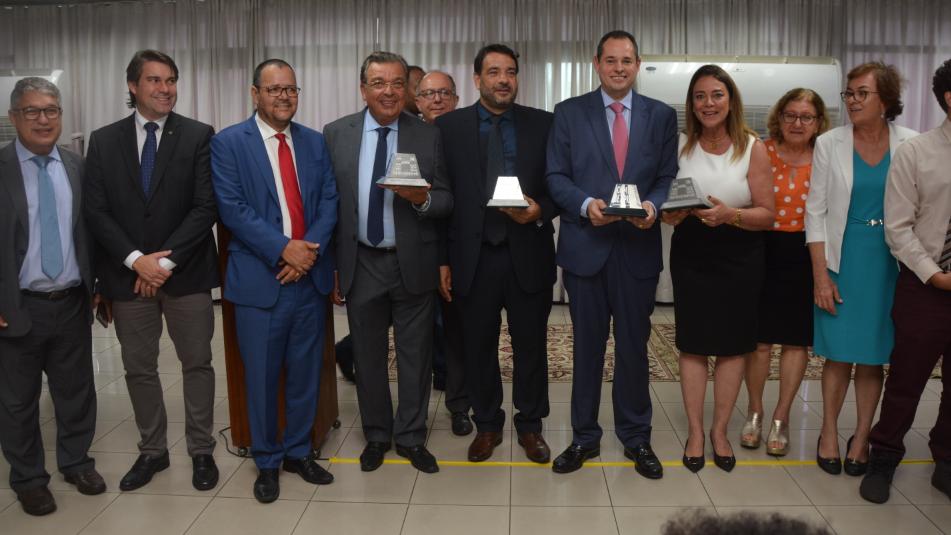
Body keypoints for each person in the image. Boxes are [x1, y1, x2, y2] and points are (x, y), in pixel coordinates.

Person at [84, 49, 221, 492]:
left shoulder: (198, 135)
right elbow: (96, 211)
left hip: (187, 273)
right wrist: (135, 260)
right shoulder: (103, 141)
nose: (166, 89)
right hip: (127, 278)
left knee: (197, 363)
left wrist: (162, 262)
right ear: (133, 86)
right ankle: (153, 451)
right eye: (155, 80)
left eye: (171, 80)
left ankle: (201, 449)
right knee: (139, 368)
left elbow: (206, 207)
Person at [546, 30, 676, 479]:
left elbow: (667, 175)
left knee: (634, 348)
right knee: (586, 348)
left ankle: (636, 437)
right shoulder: (569, 112)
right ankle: (584, 437)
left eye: (627, 61)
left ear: (638, 64)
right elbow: (555, 175)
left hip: (637, 249)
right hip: (586, 248)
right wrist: (586, 205)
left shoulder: (661, 116)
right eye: (611, 60)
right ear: (596, 63)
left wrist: (653, 206)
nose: (619, 68)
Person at [212, 59, 338, 503]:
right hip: (259, 281)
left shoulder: (315, 142)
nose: (284, 96)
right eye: (274, 89)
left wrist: (306, 254)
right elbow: (232, 209)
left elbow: (329, 201)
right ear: (255, 94)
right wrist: (285, 249)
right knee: (262, 378)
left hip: (308, 279)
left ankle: (299, 452)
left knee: (305, 373)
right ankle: (266, 461)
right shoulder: (229, 143)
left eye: (291, 89)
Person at [324, 51, 452, 474]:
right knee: (367, 355)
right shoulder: (336, 134)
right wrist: (334, 265)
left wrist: (422, 199)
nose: (389, 92)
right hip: (361, 260)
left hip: (412, 261)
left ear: (408, 90)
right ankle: (377, 434)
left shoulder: (427, 135)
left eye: (398, 83)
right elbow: (329, 204)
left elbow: (447, 199)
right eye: (379, 83)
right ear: (363, 89)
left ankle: (412, 436)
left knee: (416, 356)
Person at [436, 44, 555, 463]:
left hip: (528, 252)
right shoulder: (448, 127)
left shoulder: (544, 124)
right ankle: (487, 424)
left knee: (531, 347)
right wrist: (442, 259)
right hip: (473, 257)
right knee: (478, 347)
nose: (503, 79)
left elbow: (559, 184)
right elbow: (443, 195)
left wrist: (541, 210)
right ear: (477, 79)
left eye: (510, 72)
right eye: (493, 72)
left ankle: (531, 425)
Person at [661, 64, 775, 473]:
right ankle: (695, 432)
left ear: (730, 101)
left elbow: (768, 215)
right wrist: (671, 215)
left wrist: (731, 215)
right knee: (692, 344)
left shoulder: (752, 147)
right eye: (700, 96)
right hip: (691, 251)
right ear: (691, 104)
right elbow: (666, 205)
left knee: (732, 346)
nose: (708, 103)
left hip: (740, 253)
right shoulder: (678, 145)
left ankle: (720, 431)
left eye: (716, 95)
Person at [806, 61, 917, 477]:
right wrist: (821, 276)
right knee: (838, 355)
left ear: (884, 100)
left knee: (872, 357)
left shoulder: (911, 143)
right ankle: (829, 433)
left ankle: (862, 437)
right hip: (842, 258)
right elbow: (815, 213)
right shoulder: (829, 143)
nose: (852, 101)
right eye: (848, 93)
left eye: (861, 93)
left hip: (890, 264)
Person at [0, 77, 104, 516]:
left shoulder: (78, 166)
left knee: (76, 392)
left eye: (51, 110)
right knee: (17, 401)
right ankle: (28, 479)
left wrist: (97, 288)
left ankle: (76, 462)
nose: (43, 119)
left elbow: (91, 232)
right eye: (32, 111)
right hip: (16, 306)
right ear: (14, 117)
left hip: (71, 302)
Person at [860, 58, 951, 504]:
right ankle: (884, 455)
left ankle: (946, 460)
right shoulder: (916, 153)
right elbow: (897, 227)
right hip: (925, 285)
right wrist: (936, 275)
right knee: (907, 379)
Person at [741, 88, 830, 456]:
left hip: (806, 253)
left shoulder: (826, 156)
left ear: (818, 122)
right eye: (790, 115)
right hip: (762, 250)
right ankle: (755, 411)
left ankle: (781, 416)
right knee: (760, 342)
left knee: (796, 341)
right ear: (779, 117)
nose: (797, 123)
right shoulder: (760, 151)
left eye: (806, 117)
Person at [417, 69, 472, 436]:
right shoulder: (407, 136)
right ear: (417, 101)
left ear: (456, 98)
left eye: (444, 93)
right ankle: (414, 414)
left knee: (456, 332)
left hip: (458, 249)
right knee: (417, 337)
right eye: (428, 94)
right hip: (414, 249)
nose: (437, 99)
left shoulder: (467, 134)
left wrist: (446, 258)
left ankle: (459, 405)